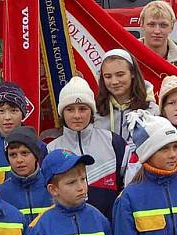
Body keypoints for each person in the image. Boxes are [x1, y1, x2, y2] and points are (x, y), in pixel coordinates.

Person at [47, 77, 132, 221]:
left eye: (83, 109)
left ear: (92, 111)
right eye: (70, 109)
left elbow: (129, 189)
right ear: (62, 113)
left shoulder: (113, 142)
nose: (77, 116)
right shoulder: (50, 149)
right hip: (67, 232)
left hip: (109, 229)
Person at [0, 82, 43, 185]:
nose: (7, 117)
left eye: (13, 111)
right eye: (1, 111)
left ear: (23, 113)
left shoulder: (40, 147)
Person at [94, 49, 159, 145]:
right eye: (108, 76)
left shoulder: (151, 110)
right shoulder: (95, 111)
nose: (114, 81)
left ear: (132, 73)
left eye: (120, 75)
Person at [0, 126, 51, 225]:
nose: (19, 160)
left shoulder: (51, 187)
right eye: (13, 155)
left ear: (36, 155)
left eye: (24, 153)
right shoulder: (1, 193)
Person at [138, 0, 177, 77]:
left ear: (172, 27)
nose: (157, 31)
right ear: (142, 24)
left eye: (163, 25)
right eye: (151, 24)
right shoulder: (130, 58)